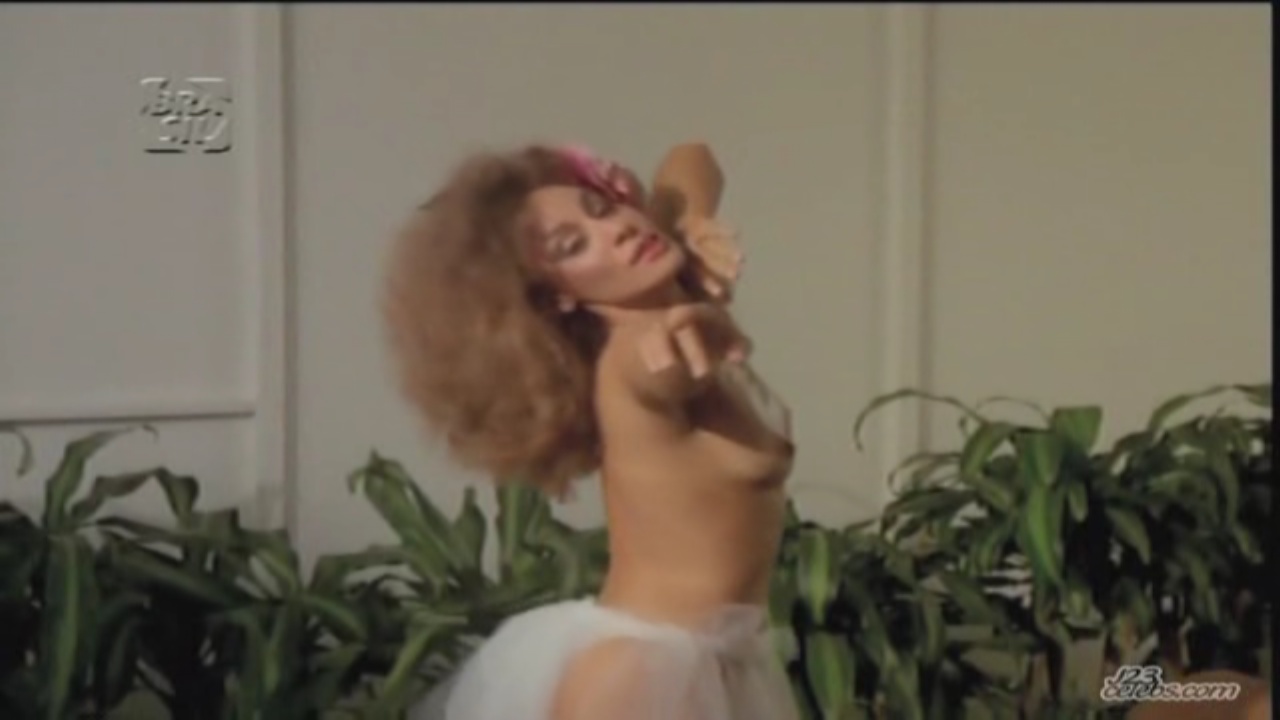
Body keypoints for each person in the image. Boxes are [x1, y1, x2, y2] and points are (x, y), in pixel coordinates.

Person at [384, 140, 799, 720]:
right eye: (573, 245)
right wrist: (696, 321)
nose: (618, 231)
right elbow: (661, 362)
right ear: (557, 295)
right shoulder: (635, 360)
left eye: (601, 208)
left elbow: (692, 157)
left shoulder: (666, 280)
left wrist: (690, 223)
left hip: (709, 665)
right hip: (643, 680)